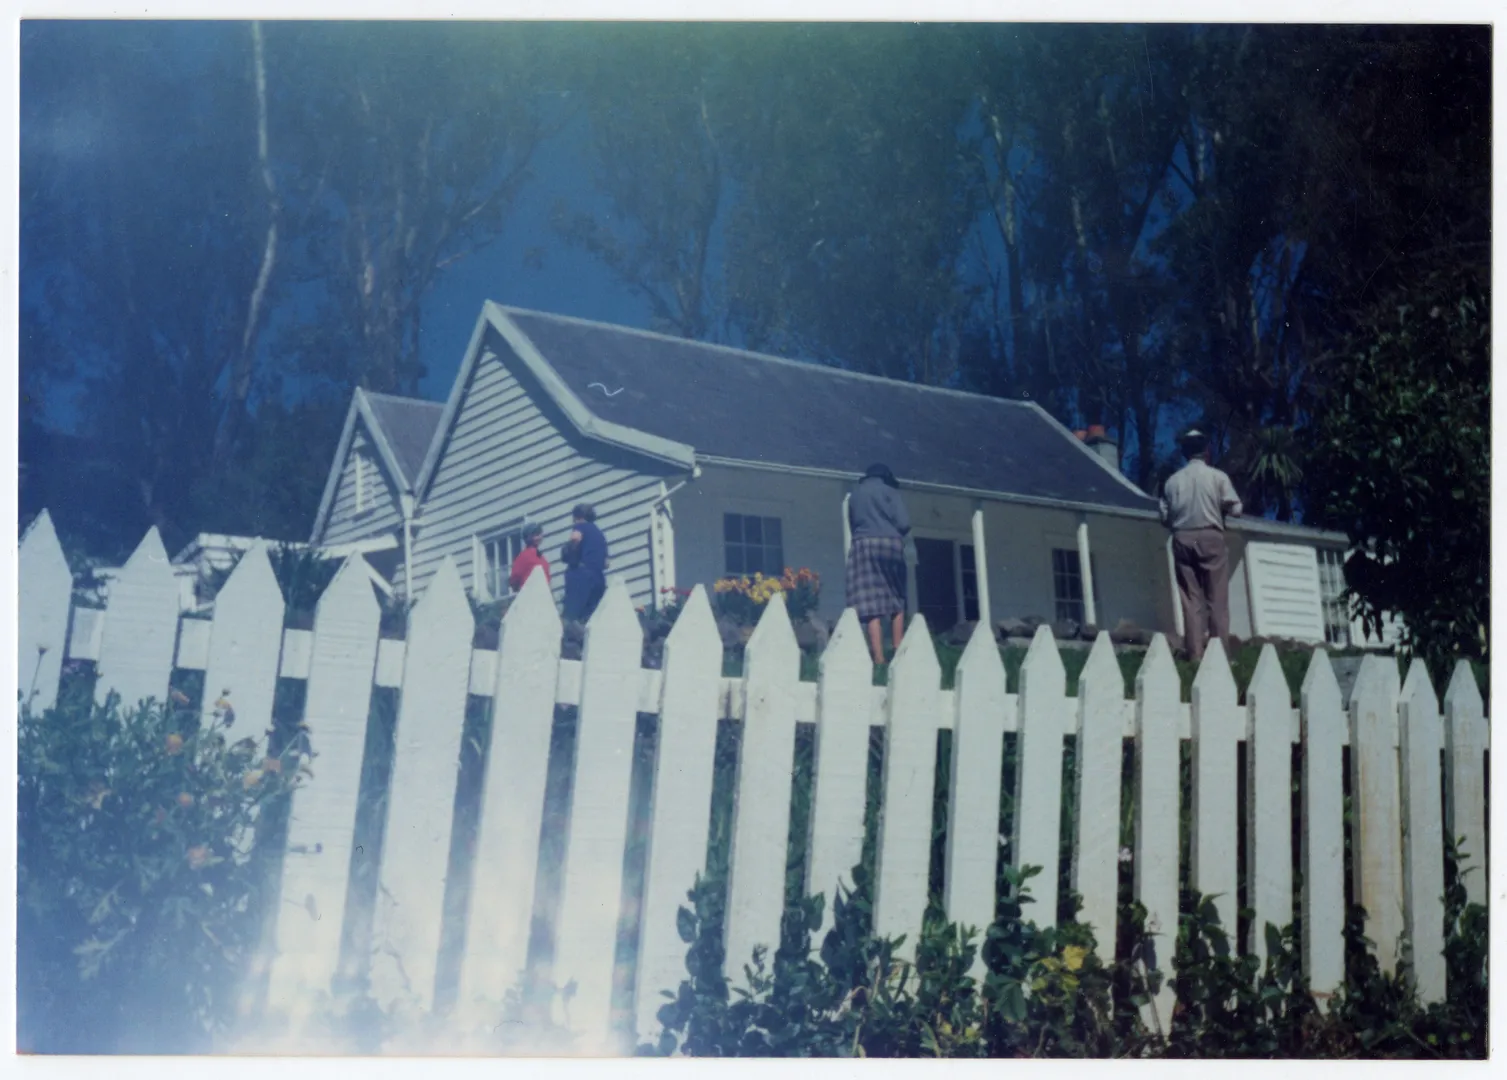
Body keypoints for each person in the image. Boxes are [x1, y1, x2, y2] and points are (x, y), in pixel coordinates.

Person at [1160, 428, 1243, 662]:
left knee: (1191, 599)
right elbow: (1236, 509)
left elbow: (1164, 517)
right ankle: (1220, 656)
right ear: (1205, 450)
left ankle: (1195, 655)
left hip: (1182, 537)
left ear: (1184, 451)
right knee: (1216, 598)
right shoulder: (1217, 477)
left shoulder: (1172, 482)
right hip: (1210, 535)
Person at [846, 463, 911, 665]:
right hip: (890, 543)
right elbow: (904, 523)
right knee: (897, 596)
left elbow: (852, 523)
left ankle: (879, 658)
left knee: (870, 603)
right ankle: (898, 650)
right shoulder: (890, 492)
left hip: (863, 544)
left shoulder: (855, 495)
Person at [561, 503, 608, 622]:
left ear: (578, 516)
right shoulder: (599, 533)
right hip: (599, 578)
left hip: (582, 576)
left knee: (572, 617)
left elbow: (575, 540)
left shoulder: (580, 527)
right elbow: (606, 563)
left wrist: (567, 552)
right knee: (593, 616)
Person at [508, 522, 550, 592]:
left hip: (544, 595)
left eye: (539, 534)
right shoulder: (523, 557)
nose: (539, 537)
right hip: (531, 595)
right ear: (528, 538)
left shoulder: (541, 557)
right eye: (536, 535)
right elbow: (514, 581)